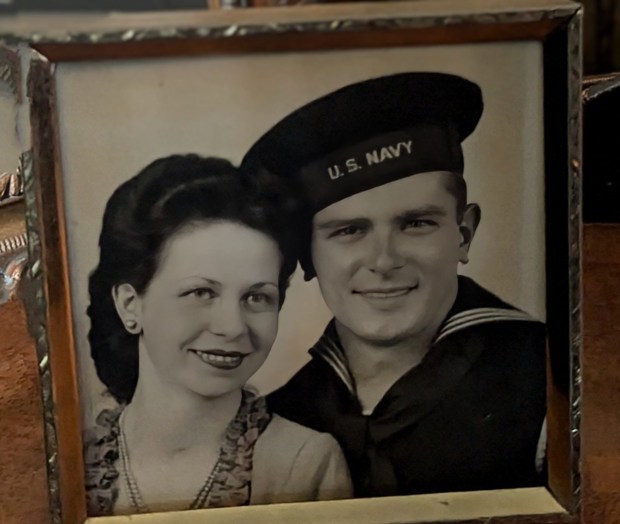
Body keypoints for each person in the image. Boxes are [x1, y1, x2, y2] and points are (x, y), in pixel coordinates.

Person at [241, 72, 547, 497]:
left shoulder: (551, 380)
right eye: (349, 231)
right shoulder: (279, 419)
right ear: (307, 255)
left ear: (463, 234)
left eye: (416, 223)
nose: (384, 261)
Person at [84, 154, 352, 516]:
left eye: (257, 297)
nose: (233, 327)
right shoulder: (73, 459)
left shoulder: (302, 465)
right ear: (131, 305)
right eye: (201, 293)